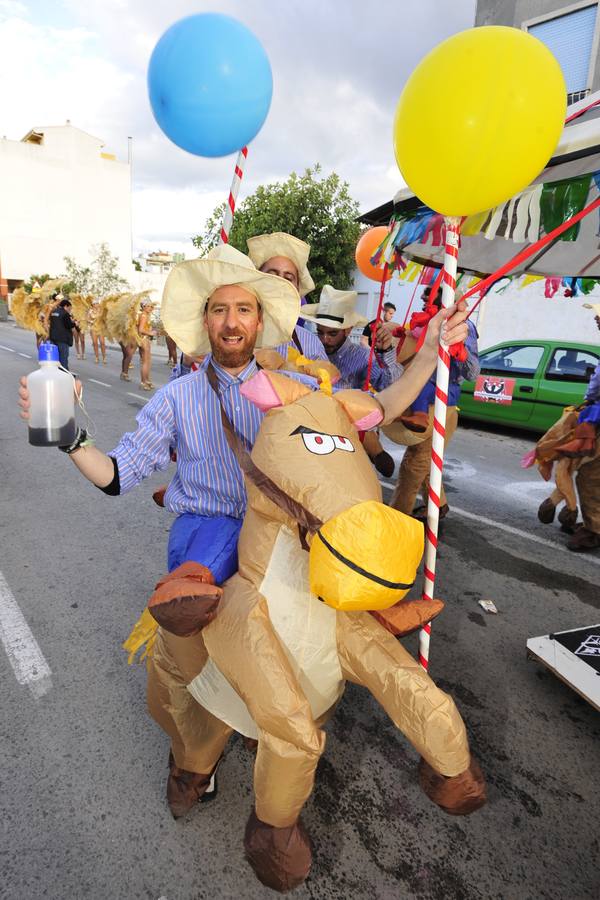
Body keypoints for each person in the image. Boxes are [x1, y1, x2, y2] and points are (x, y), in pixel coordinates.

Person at [18, 243, 470, 818]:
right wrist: (70, 438)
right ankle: (192, 756)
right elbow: (116, 475)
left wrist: (429, 355)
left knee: (340, 600)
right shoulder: (176, 398)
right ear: (205, 322)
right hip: (210, 527)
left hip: (285, 534)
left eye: (244, 310)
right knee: (194, 620)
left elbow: (374, 406)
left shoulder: (297, 392)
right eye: (219, 310)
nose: (231, 321)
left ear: (260, 321)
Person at [390, 286, 480, 521]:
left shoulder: (464, 327)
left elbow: (472, 372)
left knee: (414, 464)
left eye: (431, 294)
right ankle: (438, 506)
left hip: (441, 405)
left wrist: (457, 351)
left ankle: (396, 519)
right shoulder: (424, 323)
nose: (422, 297)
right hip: (418, 397)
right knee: (426, 460)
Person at [302, 284, 403, 477]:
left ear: (348, 330)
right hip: (312, 441)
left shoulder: (362, 357)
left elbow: (390, 386)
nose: (325, 339)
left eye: (332, 333)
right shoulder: (310, 351)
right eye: (320, 331)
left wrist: (386, 352)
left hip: (349, 446)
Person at [246, 231, 327, 361]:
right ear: (257, 280)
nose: (280, 284)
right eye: (272, 275)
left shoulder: (311, 345)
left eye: (288, 278)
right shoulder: (233, 335)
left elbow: (327, 380)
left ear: (297, 289)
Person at [48, 296, 77, 370]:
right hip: (62, 339)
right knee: (63, 358)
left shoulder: (54, 312)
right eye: (69, 308)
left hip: (53, 338)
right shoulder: (65, 314)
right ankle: (64, 374)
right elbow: (68, 325)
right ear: (66, 306)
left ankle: (57, 372)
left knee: (55, 358)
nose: (70, 310)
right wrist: (75, 323)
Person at [137, 298, 157, 390]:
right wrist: (150, 333)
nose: (150, 308)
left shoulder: (146, 315)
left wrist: (151, 331)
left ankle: (147, 380)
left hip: (146, 340)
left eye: (151, 306)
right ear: (143, 307)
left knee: (147, 362)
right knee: (145, 362)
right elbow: (140, 330)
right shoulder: (144, 316)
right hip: (144, 340)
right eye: (148, 306)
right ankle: (143, 382)